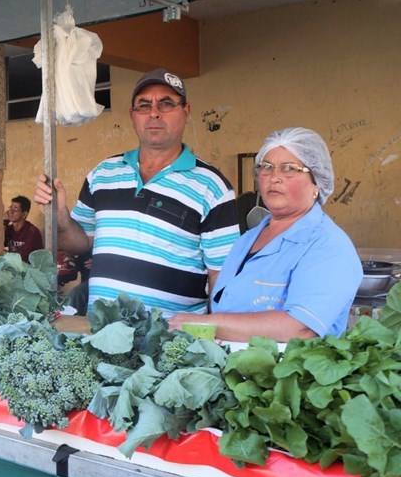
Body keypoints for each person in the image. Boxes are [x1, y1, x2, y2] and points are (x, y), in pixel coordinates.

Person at [34, 68, 240, 315]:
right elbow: (80, 243)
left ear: (186, 112)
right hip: (101, 331)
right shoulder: (103, 173)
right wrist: (61, 221)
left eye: (166, 104)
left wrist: (216, 330)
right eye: (144, 105)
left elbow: (222, 275)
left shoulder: (212, 186)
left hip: (171, 335)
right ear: (133, 116)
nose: (154, 113)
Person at [169, 128, 362, 341]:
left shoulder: (328, 246)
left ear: (316, 183)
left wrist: (201, 324)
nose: (274, 178)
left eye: (289, 168)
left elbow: (301, 328)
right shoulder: (247, 240)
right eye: (266, 167)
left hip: (287, 363)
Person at [4, 195, 44, 262]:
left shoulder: (32, 232)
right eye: (10, 208)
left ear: (24, 214)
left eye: (15, 209)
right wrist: (5, 222)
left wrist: (5, 254)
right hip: (15, 265)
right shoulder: (9, 229)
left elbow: (22, 258)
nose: (10, 212)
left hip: (30, 267)